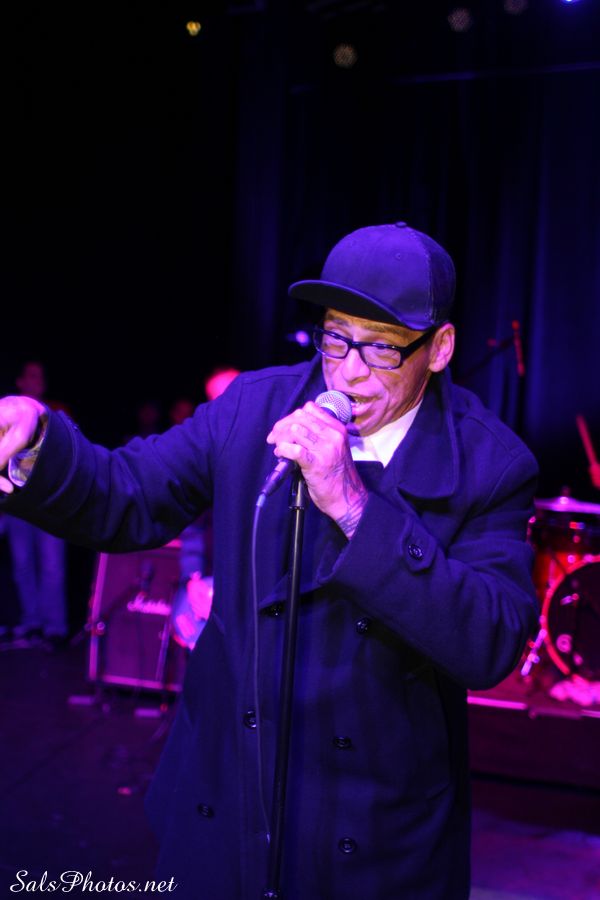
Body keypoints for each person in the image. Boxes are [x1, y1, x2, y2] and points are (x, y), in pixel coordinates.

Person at [0, 222, 538, 898]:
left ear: (439, 348)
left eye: (380, 347)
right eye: (336, 338)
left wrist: (354, 506)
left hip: (370, 833)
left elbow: (490, 641)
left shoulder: (491, 463)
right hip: (225, 799)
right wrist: (37, 444)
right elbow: (127, 493)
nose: (348, 371)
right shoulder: (252, 407)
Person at [1, 360, 68, 649]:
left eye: (41, 376)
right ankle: (32, 622)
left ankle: (54, 627)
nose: (37, 380)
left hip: (50, 501)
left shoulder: (56, 413)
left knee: (52, 565)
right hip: (18, 502)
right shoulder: (7, 412)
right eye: (31, 375)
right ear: (20, 381)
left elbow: (68, 454)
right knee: (23, 565)